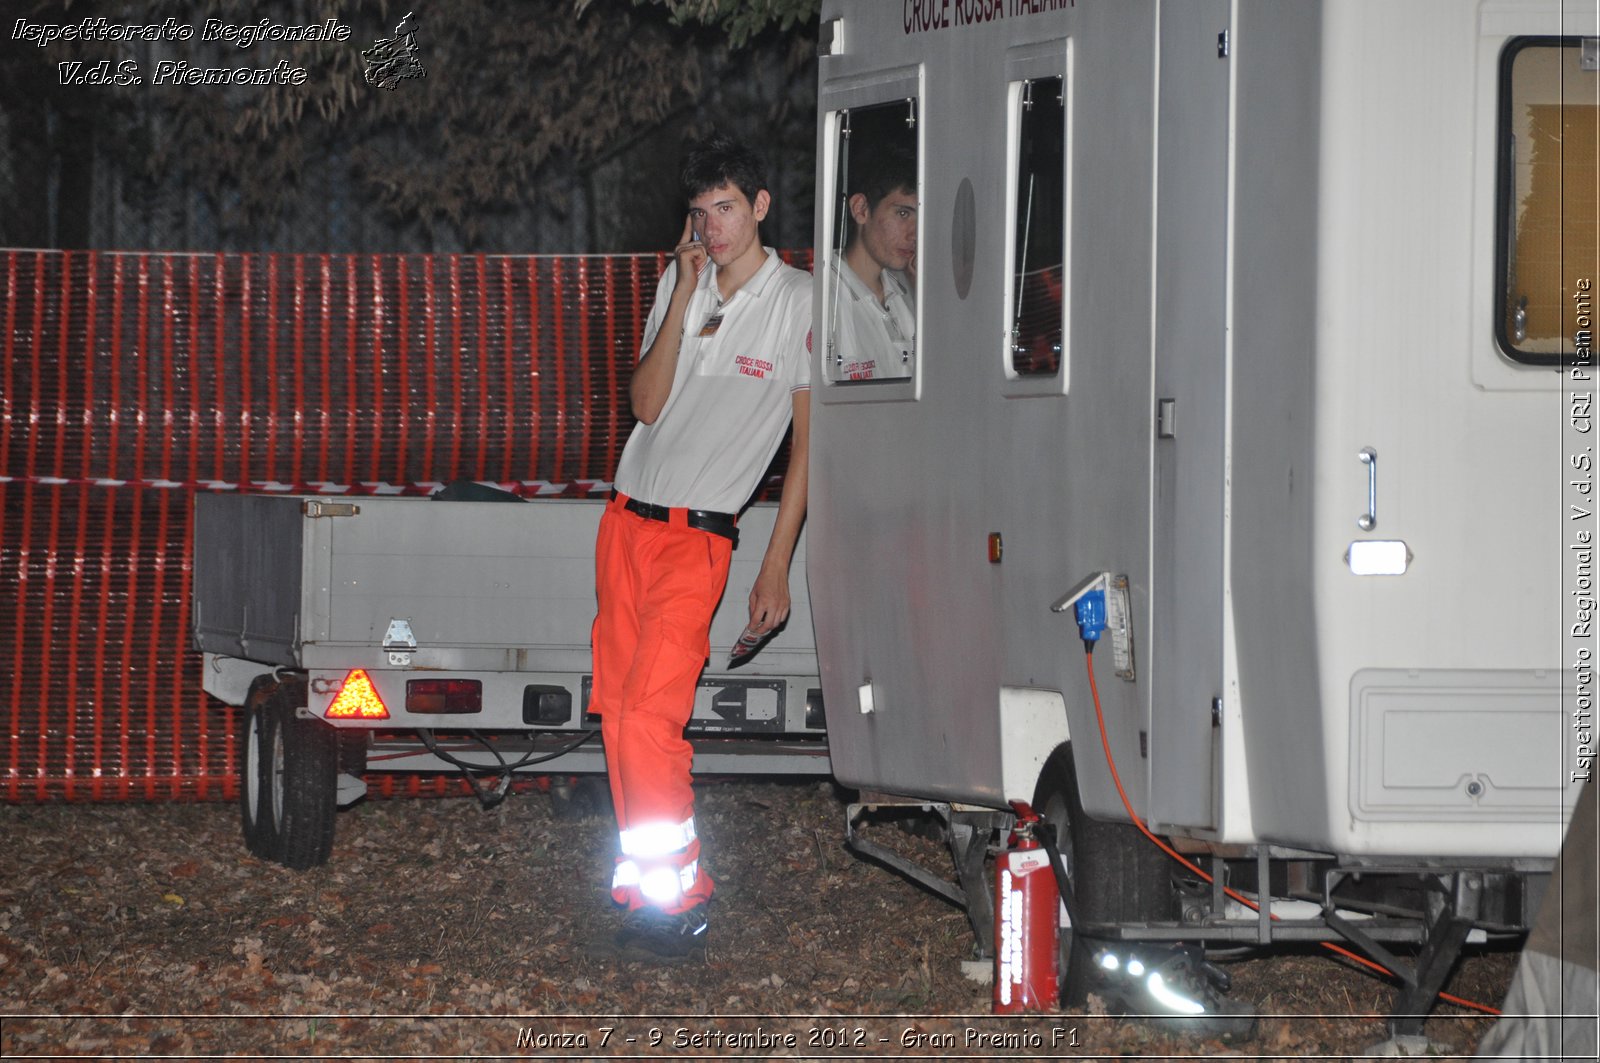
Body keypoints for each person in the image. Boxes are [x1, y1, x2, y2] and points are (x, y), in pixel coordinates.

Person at [588, 133, 812, 963]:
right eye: (699, 212)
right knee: (619, 719)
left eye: (726, 208)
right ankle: (646, 894)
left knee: (652, 717)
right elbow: (645, 404)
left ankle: (683, 895)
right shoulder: (676, 284)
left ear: (758, 206)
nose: (712, 227)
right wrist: (682, 299)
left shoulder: (801, 302)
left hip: (699, 539)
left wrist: (776, 562)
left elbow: (807, 448)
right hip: (624, 525)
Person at [828, 143, 917, 381]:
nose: (915, 234)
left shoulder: (908, 290)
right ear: (861, 209)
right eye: (903, 214)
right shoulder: (823, 300)